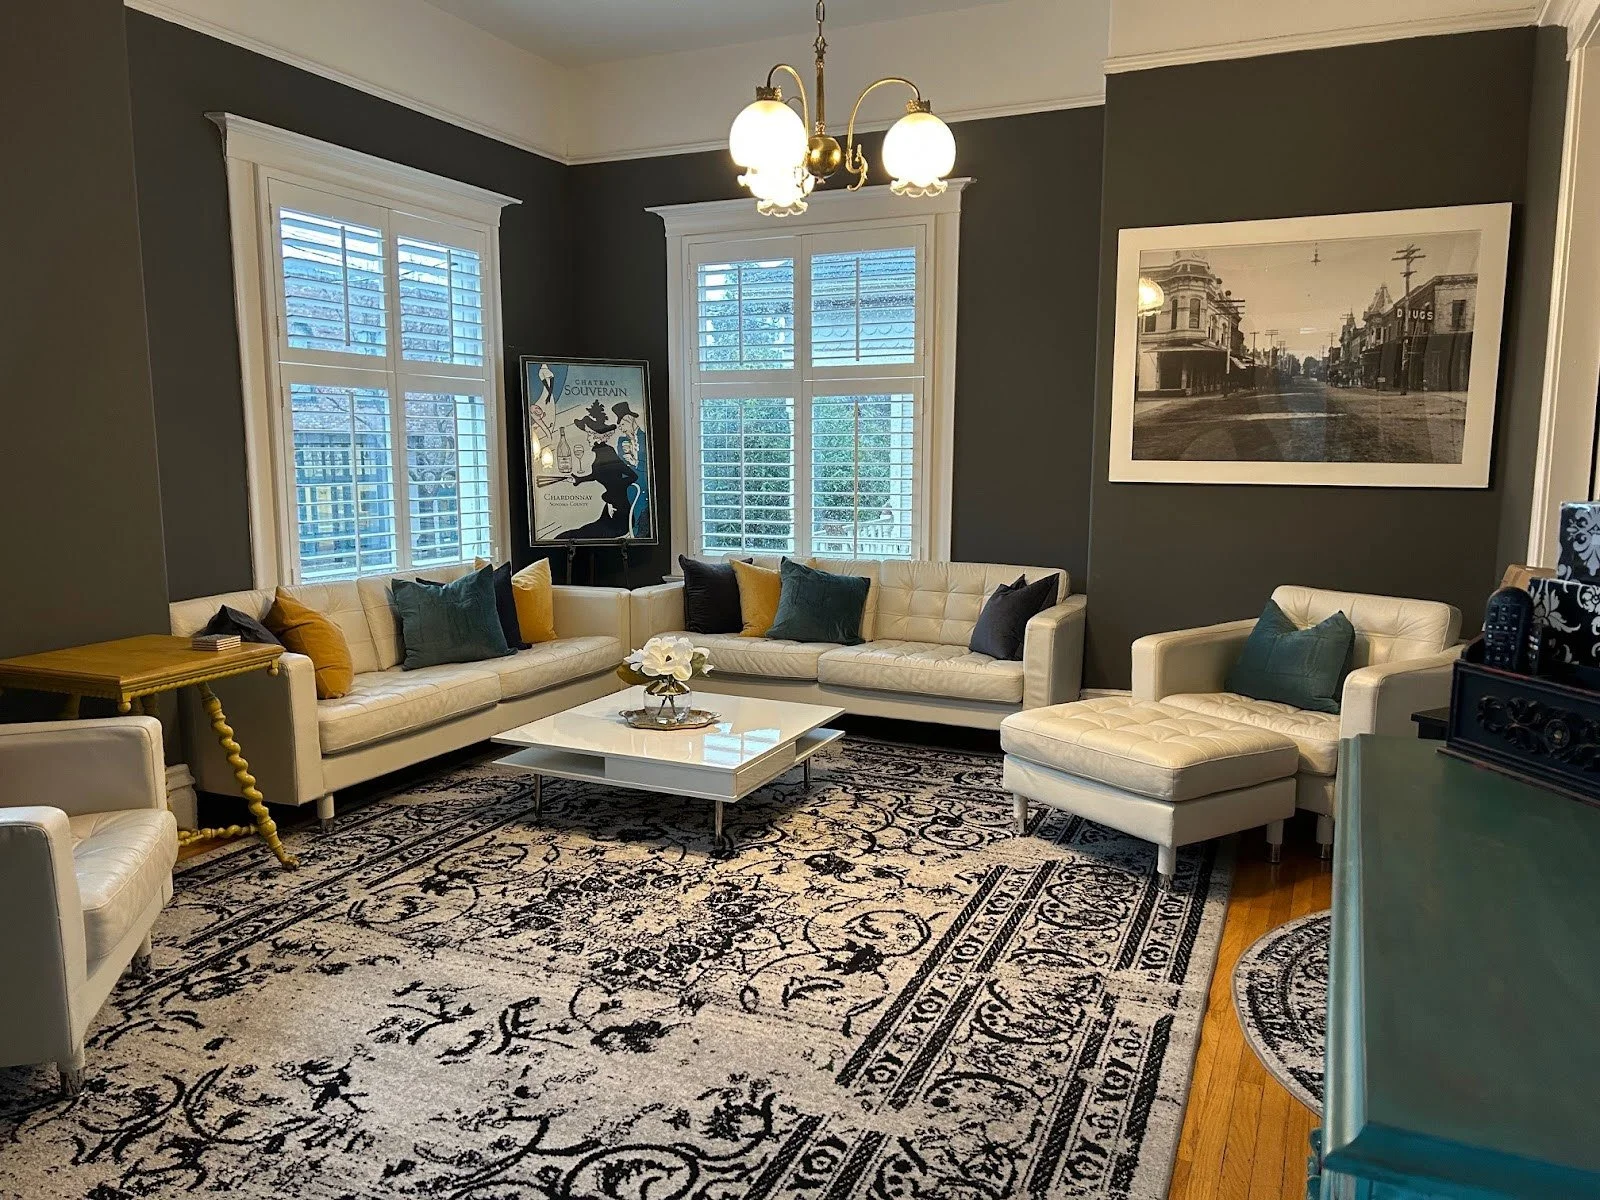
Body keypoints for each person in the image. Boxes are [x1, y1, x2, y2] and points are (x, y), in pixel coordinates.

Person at [557, 400, 637, 540]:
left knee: (578, 535)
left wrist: (615, 492)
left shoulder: (608, 453)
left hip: (620, 516)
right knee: (575, 535)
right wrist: (578, 479)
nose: (587, 438)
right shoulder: (601, 453)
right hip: (609, 511)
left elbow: (632, 476)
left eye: (589, 434)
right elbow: (597, 475)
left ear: (598, 436)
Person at [612, 401, 649, 537]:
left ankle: (637, 535)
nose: (621, 429)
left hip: (642, 489)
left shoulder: (645, 439)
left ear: (629, 420)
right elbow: (621, 466)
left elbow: (648, 468)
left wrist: (635, 462)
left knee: (641, 515)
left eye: (622, 424)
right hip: (628, 486)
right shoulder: (622, 441)